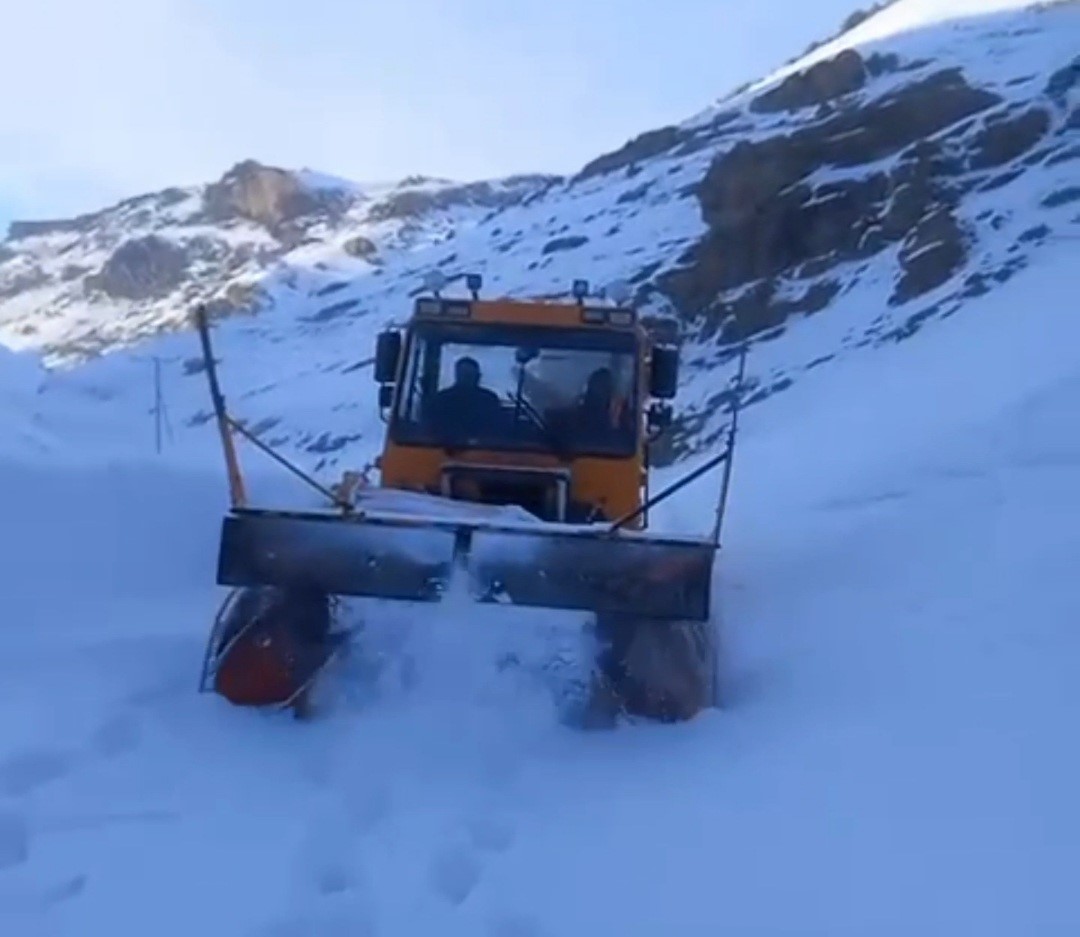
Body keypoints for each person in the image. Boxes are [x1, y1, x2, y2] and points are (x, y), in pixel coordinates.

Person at [426, 356, 503, 437]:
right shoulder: (441, 400)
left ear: (478, 376)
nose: (466, 379)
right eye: (464, 375)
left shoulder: (489, 400)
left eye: (469, 375)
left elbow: (496, 430)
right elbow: (432, 429)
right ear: (457, 375)